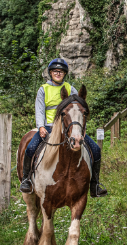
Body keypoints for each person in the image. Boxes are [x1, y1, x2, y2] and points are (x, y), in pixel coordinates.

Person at [19, 58, 107, 197]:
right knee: (30, 148)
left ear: (65, 74)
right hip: (49, 126)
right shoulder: (43, 89)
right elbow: (40, 109)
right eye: (55, 71)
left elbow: (78, 110)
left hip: (68, 127)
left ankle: (94, 184)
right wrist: (40, 126)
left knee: (95, 149)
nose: (58, 73)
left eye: (61, 71)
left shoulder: (70, 89)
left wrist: (81, 130)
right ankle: (26, 179)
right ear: (50, 73)